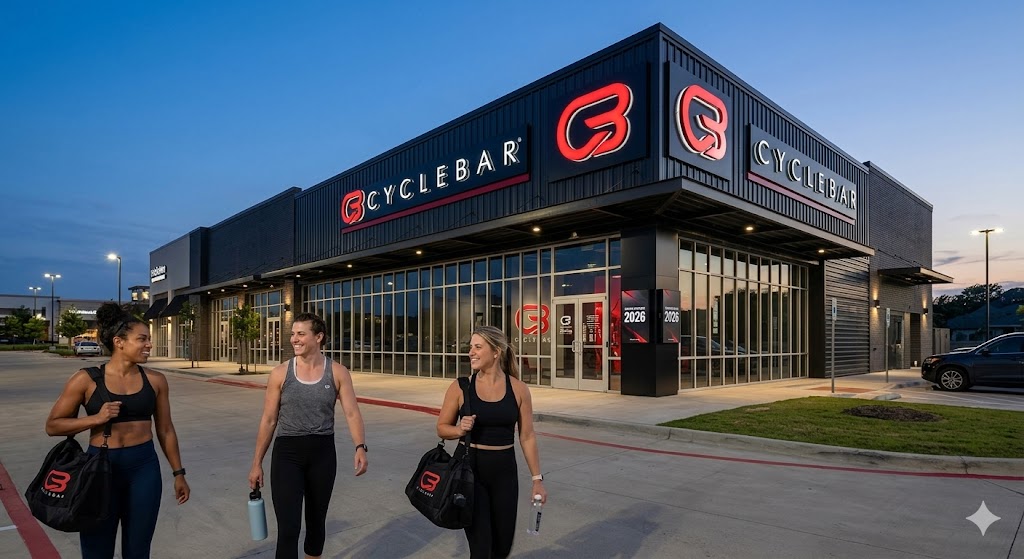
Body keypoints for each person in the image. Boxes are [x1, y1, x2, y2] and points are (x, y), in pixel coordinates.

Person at [45, 302, 190, 559]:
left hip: (143, 468)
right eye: (142, 339)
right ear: (119, 341)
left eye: (149, 339)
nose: (149, 345)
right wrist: (95, 419)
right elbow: (53, 425)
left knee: (138, 549)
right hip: (99, 468)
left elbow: (166, 430)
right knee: (96, 549)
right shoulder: (86, 379)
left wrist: (178, 473)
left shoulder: (155, 381)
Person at [248, 312, 368, 559]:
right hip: (287, 454)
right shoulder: (280, 374)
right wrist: (256, 463)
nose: (294, 339)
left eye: (301, 333)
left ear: (319, 337)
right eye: (293, 334)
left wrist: (360, 447)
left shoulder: (337, 372)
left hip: (323, 454)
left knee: (316, 524)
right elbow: (269, 420)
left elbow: (352, 413)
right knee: (289, 528)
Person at [437, 325, 548, 558]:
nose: (471, 352)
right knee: (481, 548)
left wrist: (537, 479)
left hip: (504, 472)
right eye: (471, 348)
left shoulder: (518, 389)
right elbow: (442, 428)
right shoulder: (460, 387)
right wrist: (459, 429)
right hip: (470, 472)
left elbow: (527, 436)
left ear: (496, 351)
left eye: (478, 347)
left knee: (502, 546)